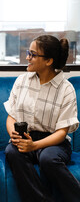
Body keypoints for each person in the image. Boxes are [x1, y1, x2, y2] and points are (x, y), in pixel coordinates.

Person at [4, 35, 80, 202]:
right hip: (26, 138)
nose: (27, 57)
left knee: (48, 159)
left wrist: (35, 145)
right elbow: (12, 116)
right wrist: (14, 135)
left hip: (54, 142)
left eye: (33, 54)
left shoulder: (66, 89)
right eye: (28, 52)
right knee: (11, 151)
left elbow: (62, 132)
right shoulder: (22, 81)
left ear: (48, 61)